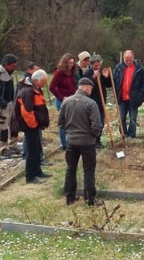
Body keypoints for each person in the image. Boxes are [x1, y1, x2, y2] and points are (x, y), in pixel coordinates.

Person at [58, 77, 103, 206]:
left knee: (70, 169)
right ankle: (90, 200)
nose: (91, 90)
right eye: (90, 88)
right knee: (88, 170)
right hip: (87, 142)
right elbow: (97, 125)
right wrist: (93, 136)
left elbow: (60, 122)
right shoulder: (91, 103)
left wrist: (70, 133)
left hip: (71, 141)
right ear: (87, 87)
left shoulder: (67, 102)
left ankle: (69, 198)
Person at [16, 69, 51, 184]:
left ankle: (37, 171)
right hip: (30, 126)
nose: (44, 85)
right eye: (43, 82)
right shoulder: (27, 91)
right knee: (31, 151)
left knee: (36, 149)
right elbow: (26, 112)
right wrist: (33, 125)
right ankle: (30, 176)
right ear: (36, 80)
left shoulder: (35, 89)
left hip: (35, 126)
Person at [112, 50, 144, 139]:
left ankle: (131, 135)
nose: (128, 61)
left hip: (134, 98)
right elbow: (113, 81)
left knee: (133, 118)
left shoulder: (140, 69)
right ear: (123, 58)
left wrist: (140, 95)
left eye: (130, 59)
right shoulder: (118, 68)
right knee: (121, 118)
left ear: (133, 58)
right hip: (121, 98)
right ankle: (123, 135)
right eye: (126, 59)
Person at [49, 53, 78, 150]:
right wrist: (62, 97)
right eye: (69, 63)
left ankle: (71, 141)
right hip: (63, 101)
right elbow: (51, 87)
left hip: (72, 99)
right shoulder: (59, 73)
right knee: (63, 122)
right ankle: (64, 144)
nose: (71, 65)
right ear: (65, 63)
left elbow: (73, 86)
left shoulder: (72, 73)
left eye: (73, 63)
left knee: (72, 121)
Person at [83, 54, 112, 149]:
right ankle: (92, 141)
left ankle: (98, 140)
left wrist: (106, 77)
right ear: (91, 65)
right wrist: (94, 78)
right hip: (91, 101)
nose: (97, 67)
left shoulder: (102, 71)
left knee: (101, 122)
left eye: (99, 65)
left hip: (101, 101)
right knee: (93, 122)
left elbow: (109, 85)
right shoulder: (87, 73)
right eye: (95, 65)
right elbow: (86, 85)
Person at [17, 62, 41, 162]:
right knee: (30, 138)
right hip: (30, 120)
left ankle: (37, 159)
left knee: (36, 139)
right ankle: (26, 156)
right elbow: (26, 108)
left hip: (35, 118)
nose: (37, 73)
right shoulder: (26, 84)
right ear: (29, 70)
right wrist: (33, 123)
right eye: (36, 70)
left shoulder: (34, 82)